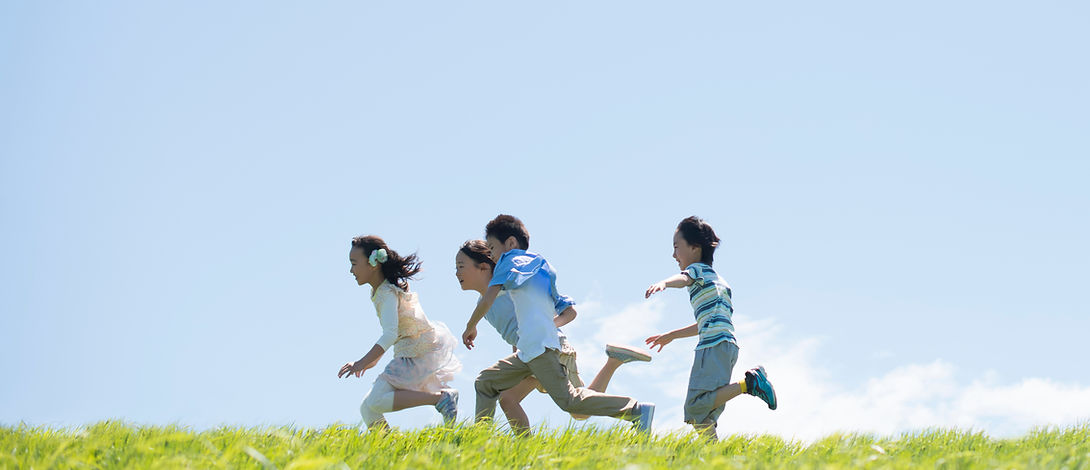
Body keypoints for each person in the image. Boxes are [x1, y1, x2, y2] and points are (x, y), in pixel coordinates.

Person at [462, 214, 655, 433]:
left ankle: (636, 409)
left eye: (493, 249)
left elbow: (490, 298)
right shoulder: (544, 267)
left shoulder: (508, 264)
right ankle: (479, 438)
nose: (493, 257)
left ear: (511, 244)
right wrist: (545, 325)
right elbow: (569, 311)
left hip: (543, 350)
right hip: (530, 350)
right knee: (485, 383)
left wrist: (471, 326)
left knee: (573, 404)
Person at [644, 216, 778, 441]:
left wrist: (665, 283)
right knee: (703, 416)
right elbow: (707, 322)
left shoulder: (697, 271)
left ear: (695, 248)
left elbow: (684, 278)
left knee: (695, 408)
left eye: (677, 247)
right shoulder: (719, 281)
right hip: (726, 347)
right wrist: (672, 336)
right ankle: (716, 459)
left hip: (712, 347)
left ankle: (750, 383)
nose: (674, 255)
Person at [338, 235, 462, 430]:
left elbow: (390, 334)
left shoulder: (386, 292)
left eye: (354, 263)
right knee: (367, 408)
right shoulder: (379, 292)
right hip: (409, 352)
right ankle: (397, 449)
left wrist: (362, 361)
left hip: (416, 353)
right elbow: (391, 334)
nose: (351, 270)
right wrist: (371, 362)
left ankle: (441, 399)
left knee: (376, 401)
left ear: (373, 263)